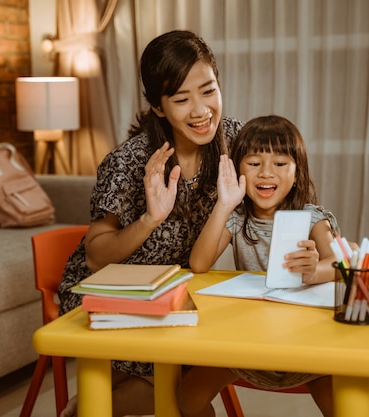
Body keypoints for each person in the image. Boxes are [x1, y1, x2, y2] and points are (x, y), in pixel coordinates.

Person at [57, 30, 244, 417]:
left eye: (208, 91)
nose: (200, 110)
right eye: (181, 99)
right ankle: (91, 405)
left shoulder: (234, 141)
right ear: (158, 108)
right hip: (112, 292)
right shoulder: (129, 162)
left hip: (174, 290)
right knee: (188, 401)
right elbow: (94, 258)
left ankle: (97, 402)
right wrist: (149, 218)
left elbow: (271, 193)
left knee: (190, 384)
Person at [178, 115, 339, 417]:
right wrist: (224, 204)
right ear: (239, 169)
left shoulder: (313, 218)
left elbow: (341, 263)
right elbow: (198, 264)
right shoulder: (238, 218)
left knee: (343, 406)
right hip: (246, 347)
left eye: (280, 164)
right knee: (188, 396)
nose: (266, 173)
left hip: (308, 350)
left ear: (296, 172)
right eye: (254, 164)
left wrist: (316, 270)